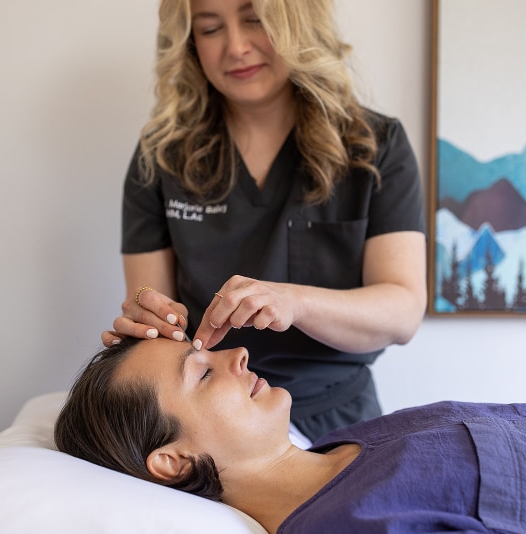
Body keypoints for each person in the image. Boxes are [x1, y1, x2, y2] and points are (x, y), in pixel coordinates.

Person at [102, 0, 427, 442]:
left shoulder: (373, 146)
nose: (236, 47)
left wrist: (293, 303)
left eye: (255, 20)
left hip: (339, 417)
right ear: (189, 43)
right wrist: (145, 318)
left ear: (298, 22)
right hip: (217, 422)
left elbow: (403, 310)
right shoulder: (162, 157)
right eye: (210, 28)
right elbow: (151, 303)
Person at [56, 337, 526, 534]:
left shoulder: (350, 443)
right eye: (202, 371)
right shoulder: (352, 522)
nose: (238, 353)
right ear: (172, 460)